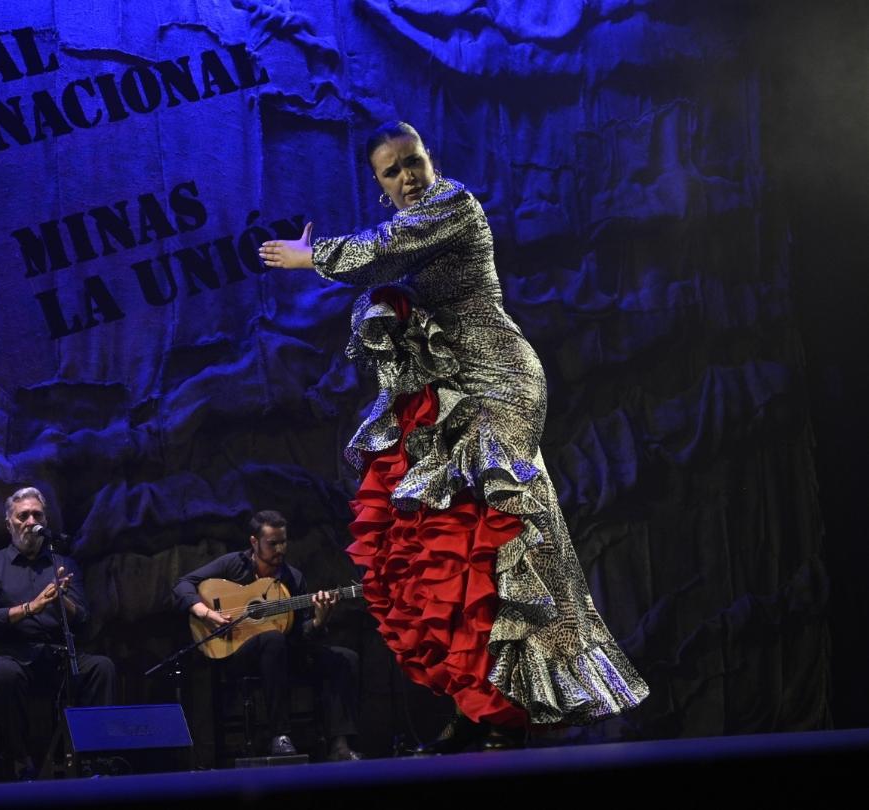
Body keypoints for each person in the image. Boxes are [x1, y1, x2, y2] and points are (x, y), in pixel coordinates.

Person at [258, 121, 648, 750]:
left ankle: (527, 694)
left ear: (429, 158)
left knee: (505, 529)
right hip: (448, 389)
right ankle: (483, 703)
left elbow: (389, 248)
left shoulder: (454, 205)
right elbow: (384, 266)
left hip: (498, 379)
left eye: (412, 161)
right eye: (393, 171)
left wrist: (314, 257)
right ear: (380, 183)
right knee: (455, 543)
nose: (407, 177)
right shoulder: (403, 224)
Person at [173, 510, 361, 761]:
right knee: (273, 639)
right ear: (254, 542)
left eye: (283, 541)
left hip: (284, 653)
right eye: (273, 543)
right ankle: (279, 735)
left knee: (344, 657)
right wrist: (206, 613)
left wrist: (318, 620)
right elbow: (182, 585)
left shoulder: (292, 578)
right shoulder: (233, 565)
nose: (280, 549)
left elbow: (303, 634)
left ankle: (340, 744)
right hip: (238, 654)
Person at [0, 486, 116, 780]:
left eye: (37, 515)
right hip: (11, 654)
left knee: (101, 667)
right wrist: (30, 607)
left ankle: (96, 759)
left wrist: (65, 601)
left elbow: (84, 620)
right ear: (9, 523)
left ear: (45, 522)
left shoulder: (62, 564)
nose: (30, 521)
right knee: (2, 674)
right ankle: (20, 761)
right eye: (23, 515)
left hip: (57, 653)